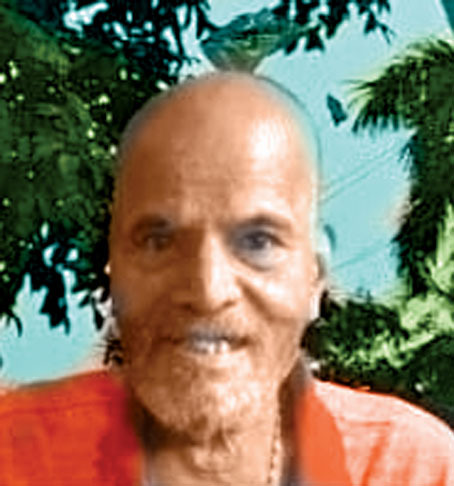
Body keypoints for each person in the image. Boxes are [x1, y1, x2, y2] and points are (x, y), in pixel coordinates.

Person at [0, 72, 453, 486]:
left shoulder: (412, 470)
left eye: (258, 242)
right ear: (113, 271)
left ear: (314, 276)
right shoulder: (12, 457)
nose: (207, 291)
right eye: (159, 241)